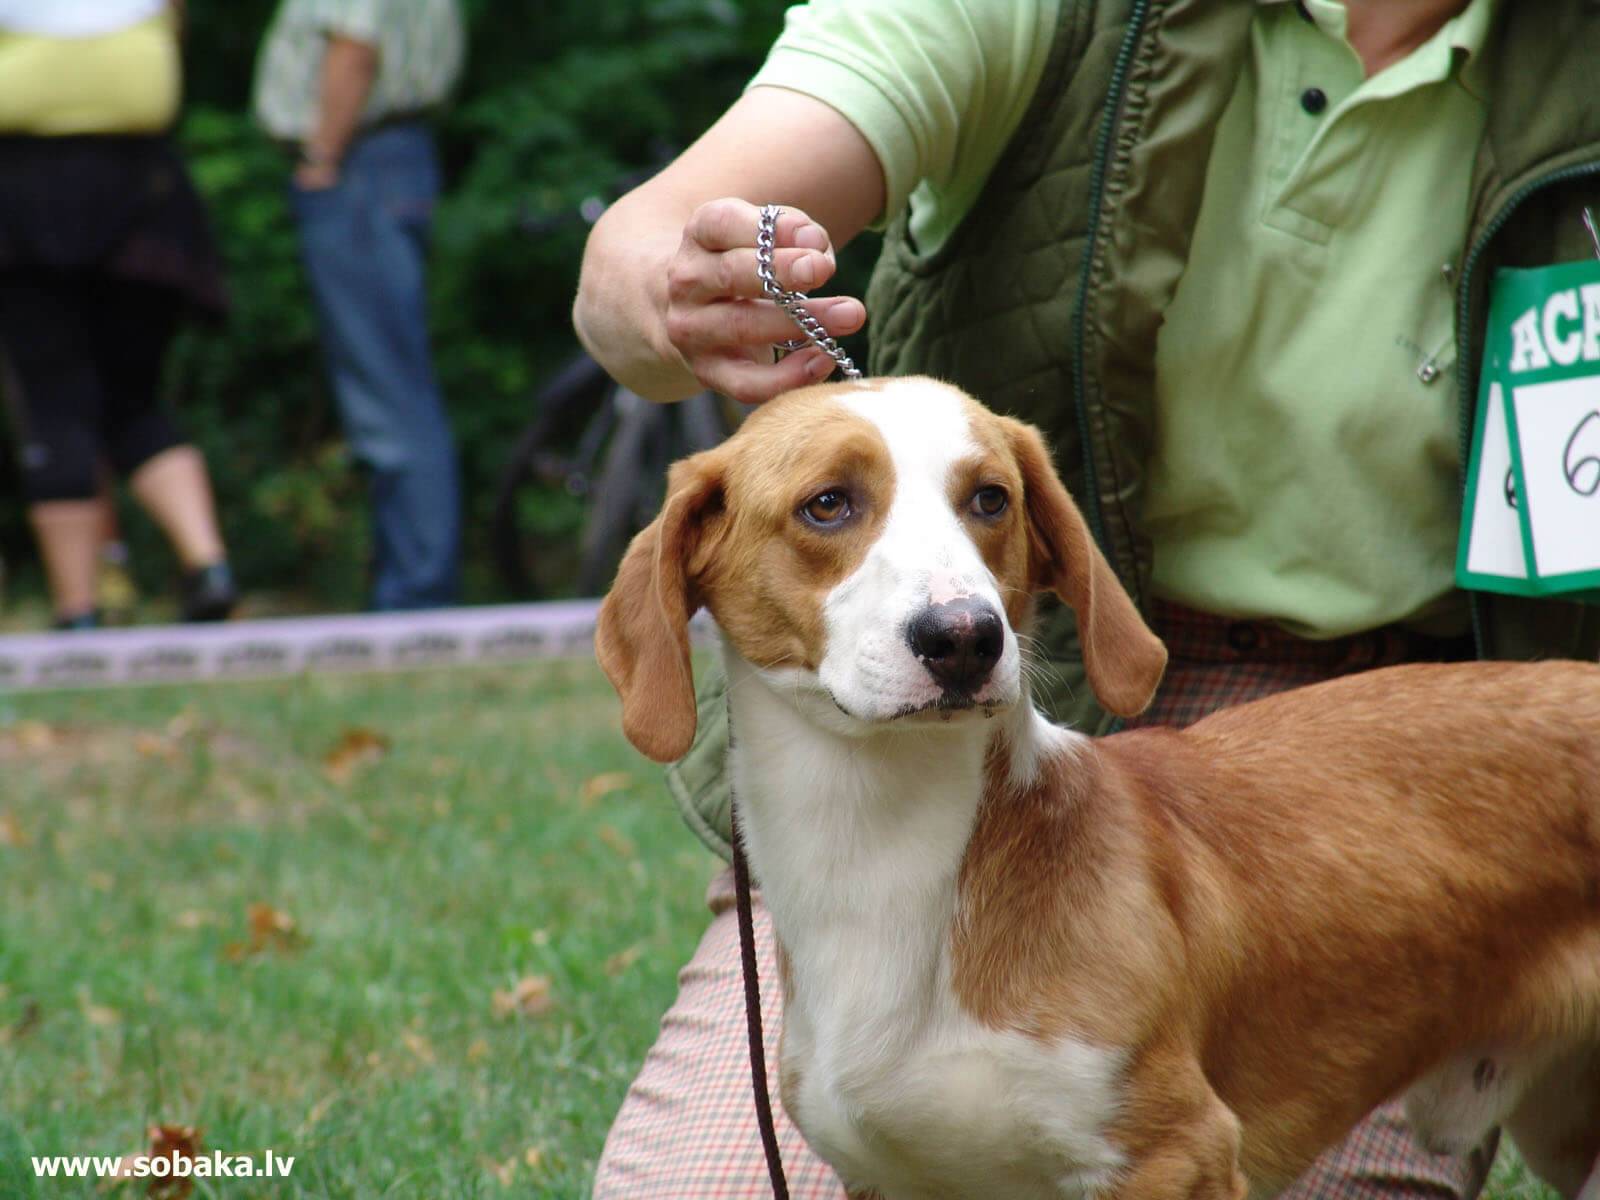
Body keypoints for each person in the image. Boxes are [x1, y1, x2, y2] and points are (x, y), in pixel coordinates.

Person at [577, 0, 1600, 1196]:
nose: (951, 606)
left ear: (1033, 541)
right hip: (1078, 717)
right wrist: (674, 280)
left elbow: (1180, 1156)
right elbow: (637, 254)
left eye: (983, 505)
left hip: (1406, 778)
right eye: (825, 511)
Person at [0, 0, 237, 630]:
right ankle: (208, 564)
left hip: (29, 196)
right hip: (142, 192)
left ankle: (78, 609)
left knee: (56, 401)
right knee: (135, 398)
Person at [252, 0, 464, 611]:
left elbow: (355, 44)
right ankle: (413, 588)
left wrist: (321, 156)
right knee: (395, 383)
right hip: (387, 156)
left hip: (358, 161)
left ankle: (414, 599)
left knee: (388, 393)